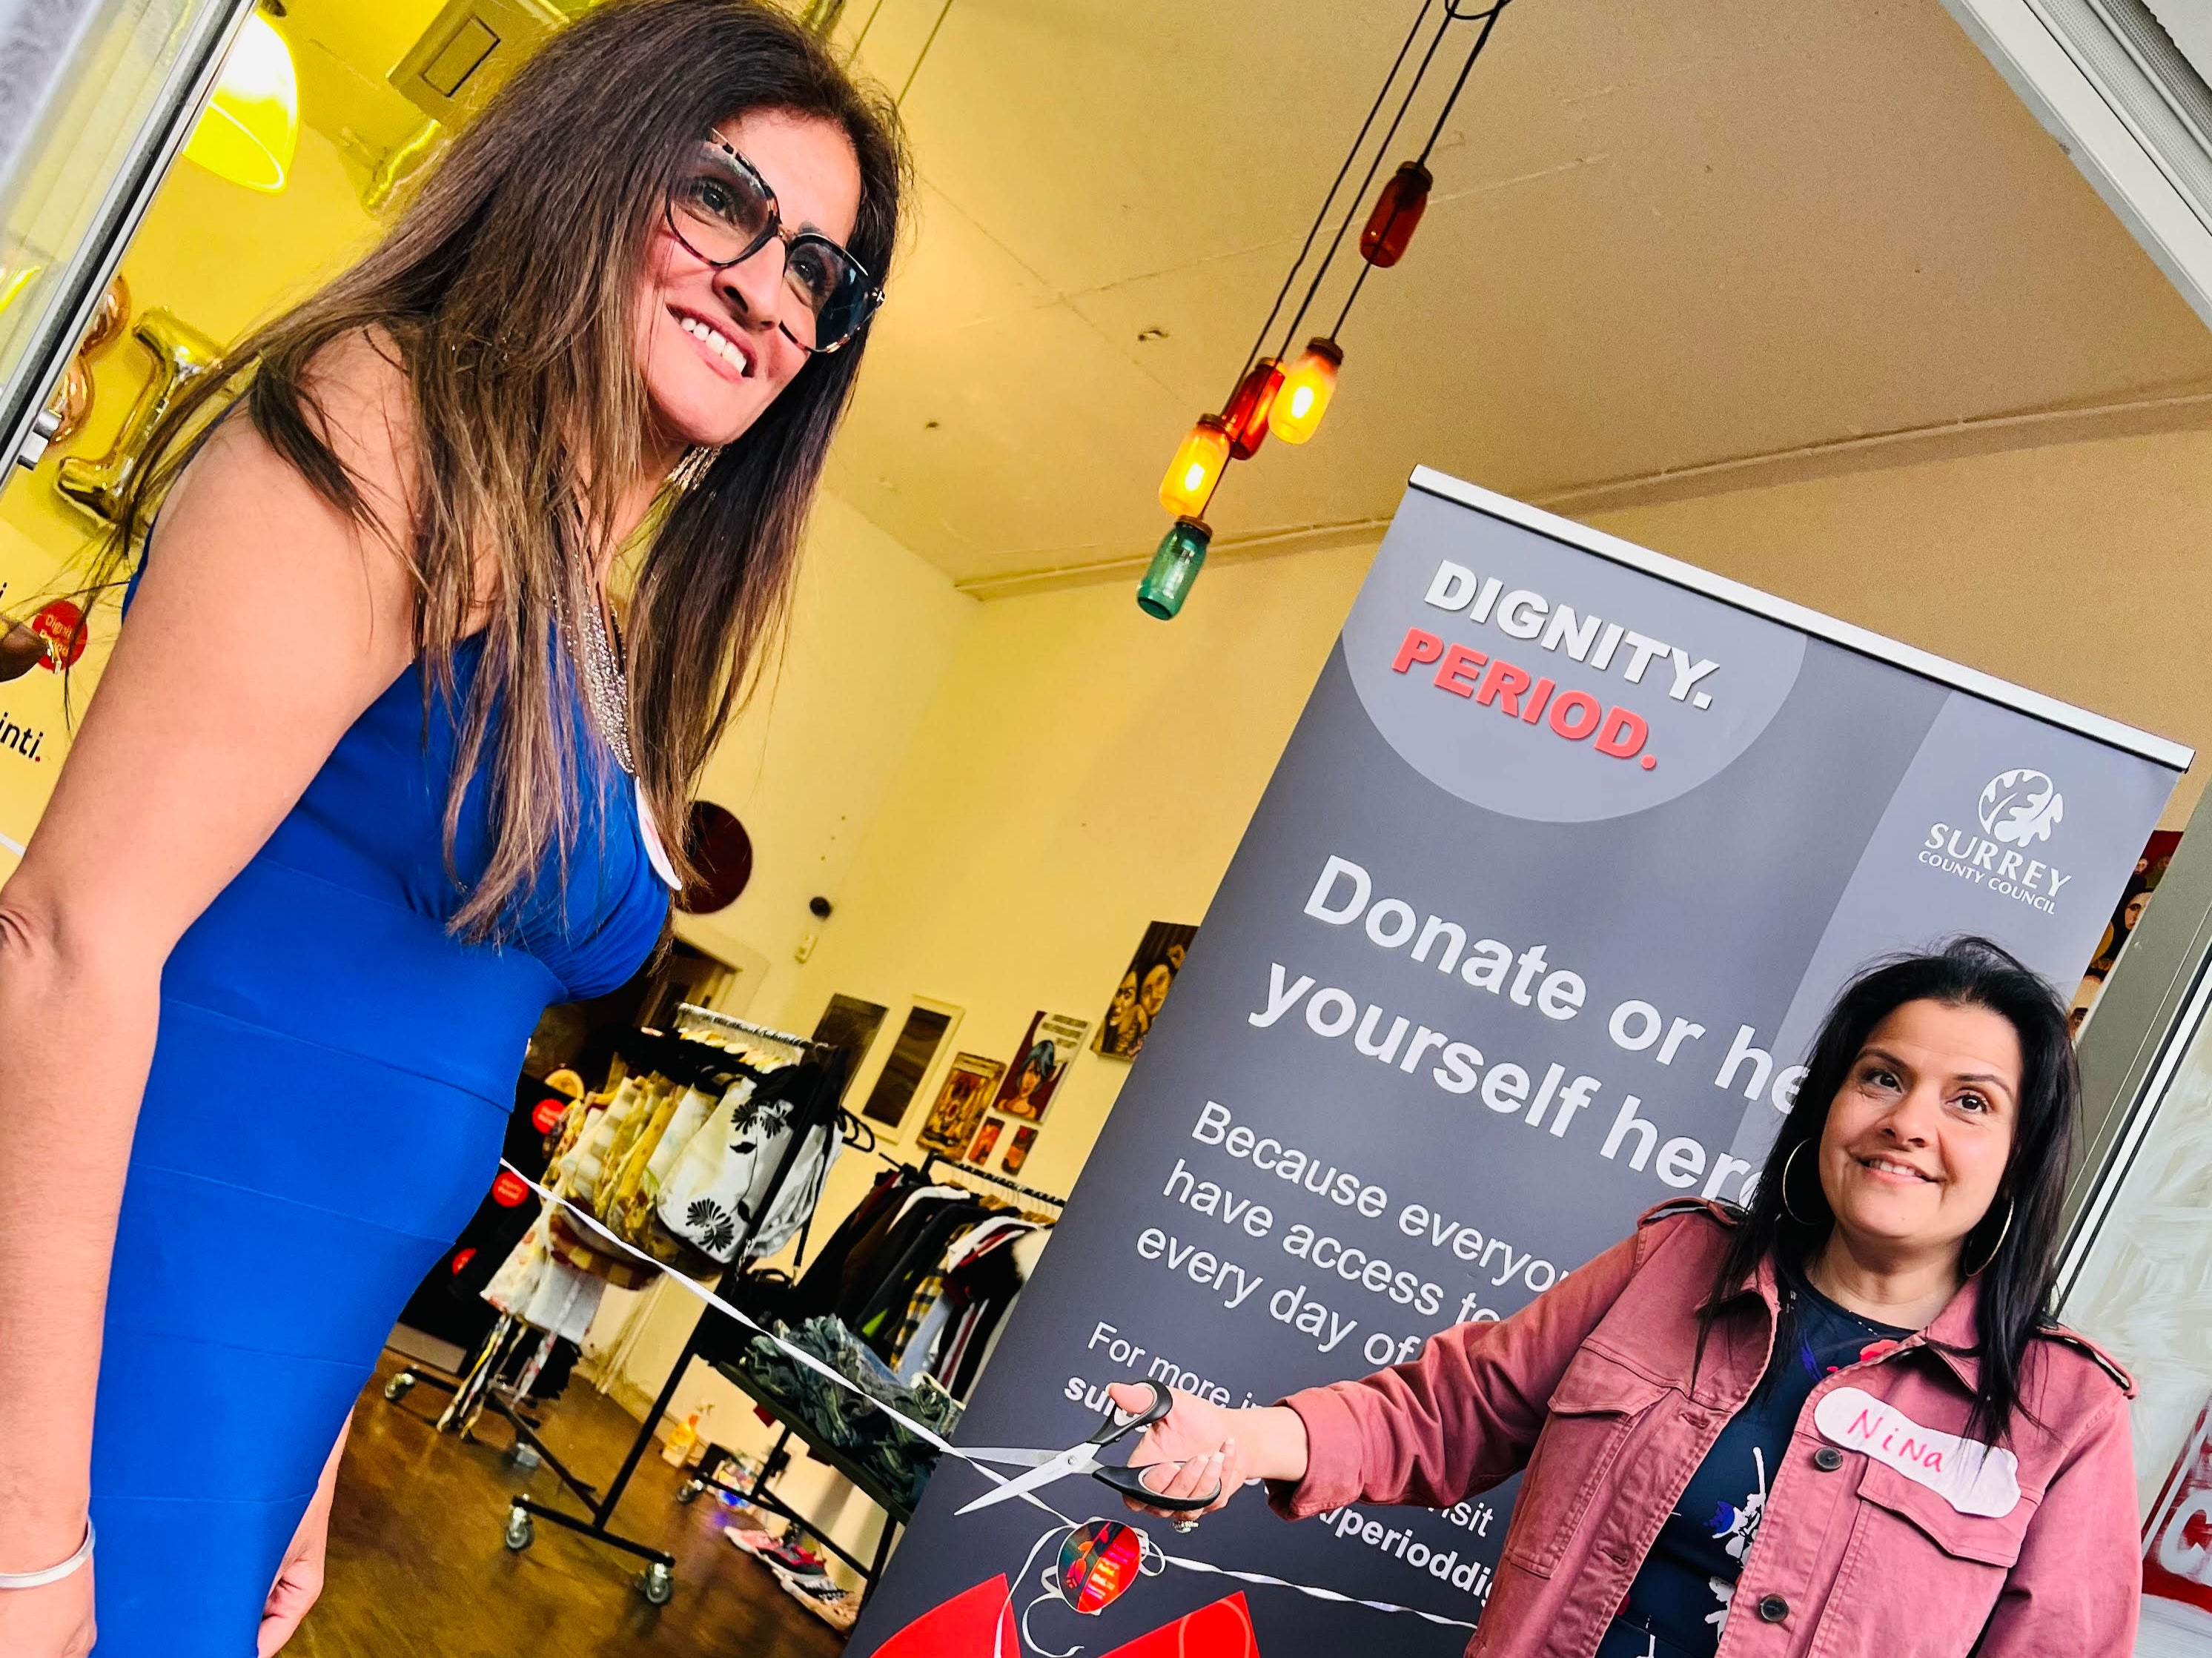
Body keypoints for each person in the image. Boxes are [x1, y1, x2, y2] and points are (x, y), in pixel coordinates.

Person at [0, 4, 904, 1654]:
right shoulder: (401, 420)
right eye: (724, 202)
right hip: (108, 1336)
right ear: (595, 162)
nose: (769, 289)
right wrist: (22, 1535)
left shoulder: (597, 609)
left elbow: (397, 1049)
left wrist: (315, 1445)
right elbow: (67, 941)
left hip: (263, 1382)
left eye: (820, 275)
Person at [1111, 938, 2140, 1657]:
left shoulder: (2065, 1414)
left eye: (1970, 1101)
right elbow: (1448, 1410)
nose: (1909, 1121)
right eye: (1880, 1076)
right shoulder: (1674, 1264)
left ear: (2015, 1160)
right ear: (1829, 1101)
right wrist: (1241, 1442)